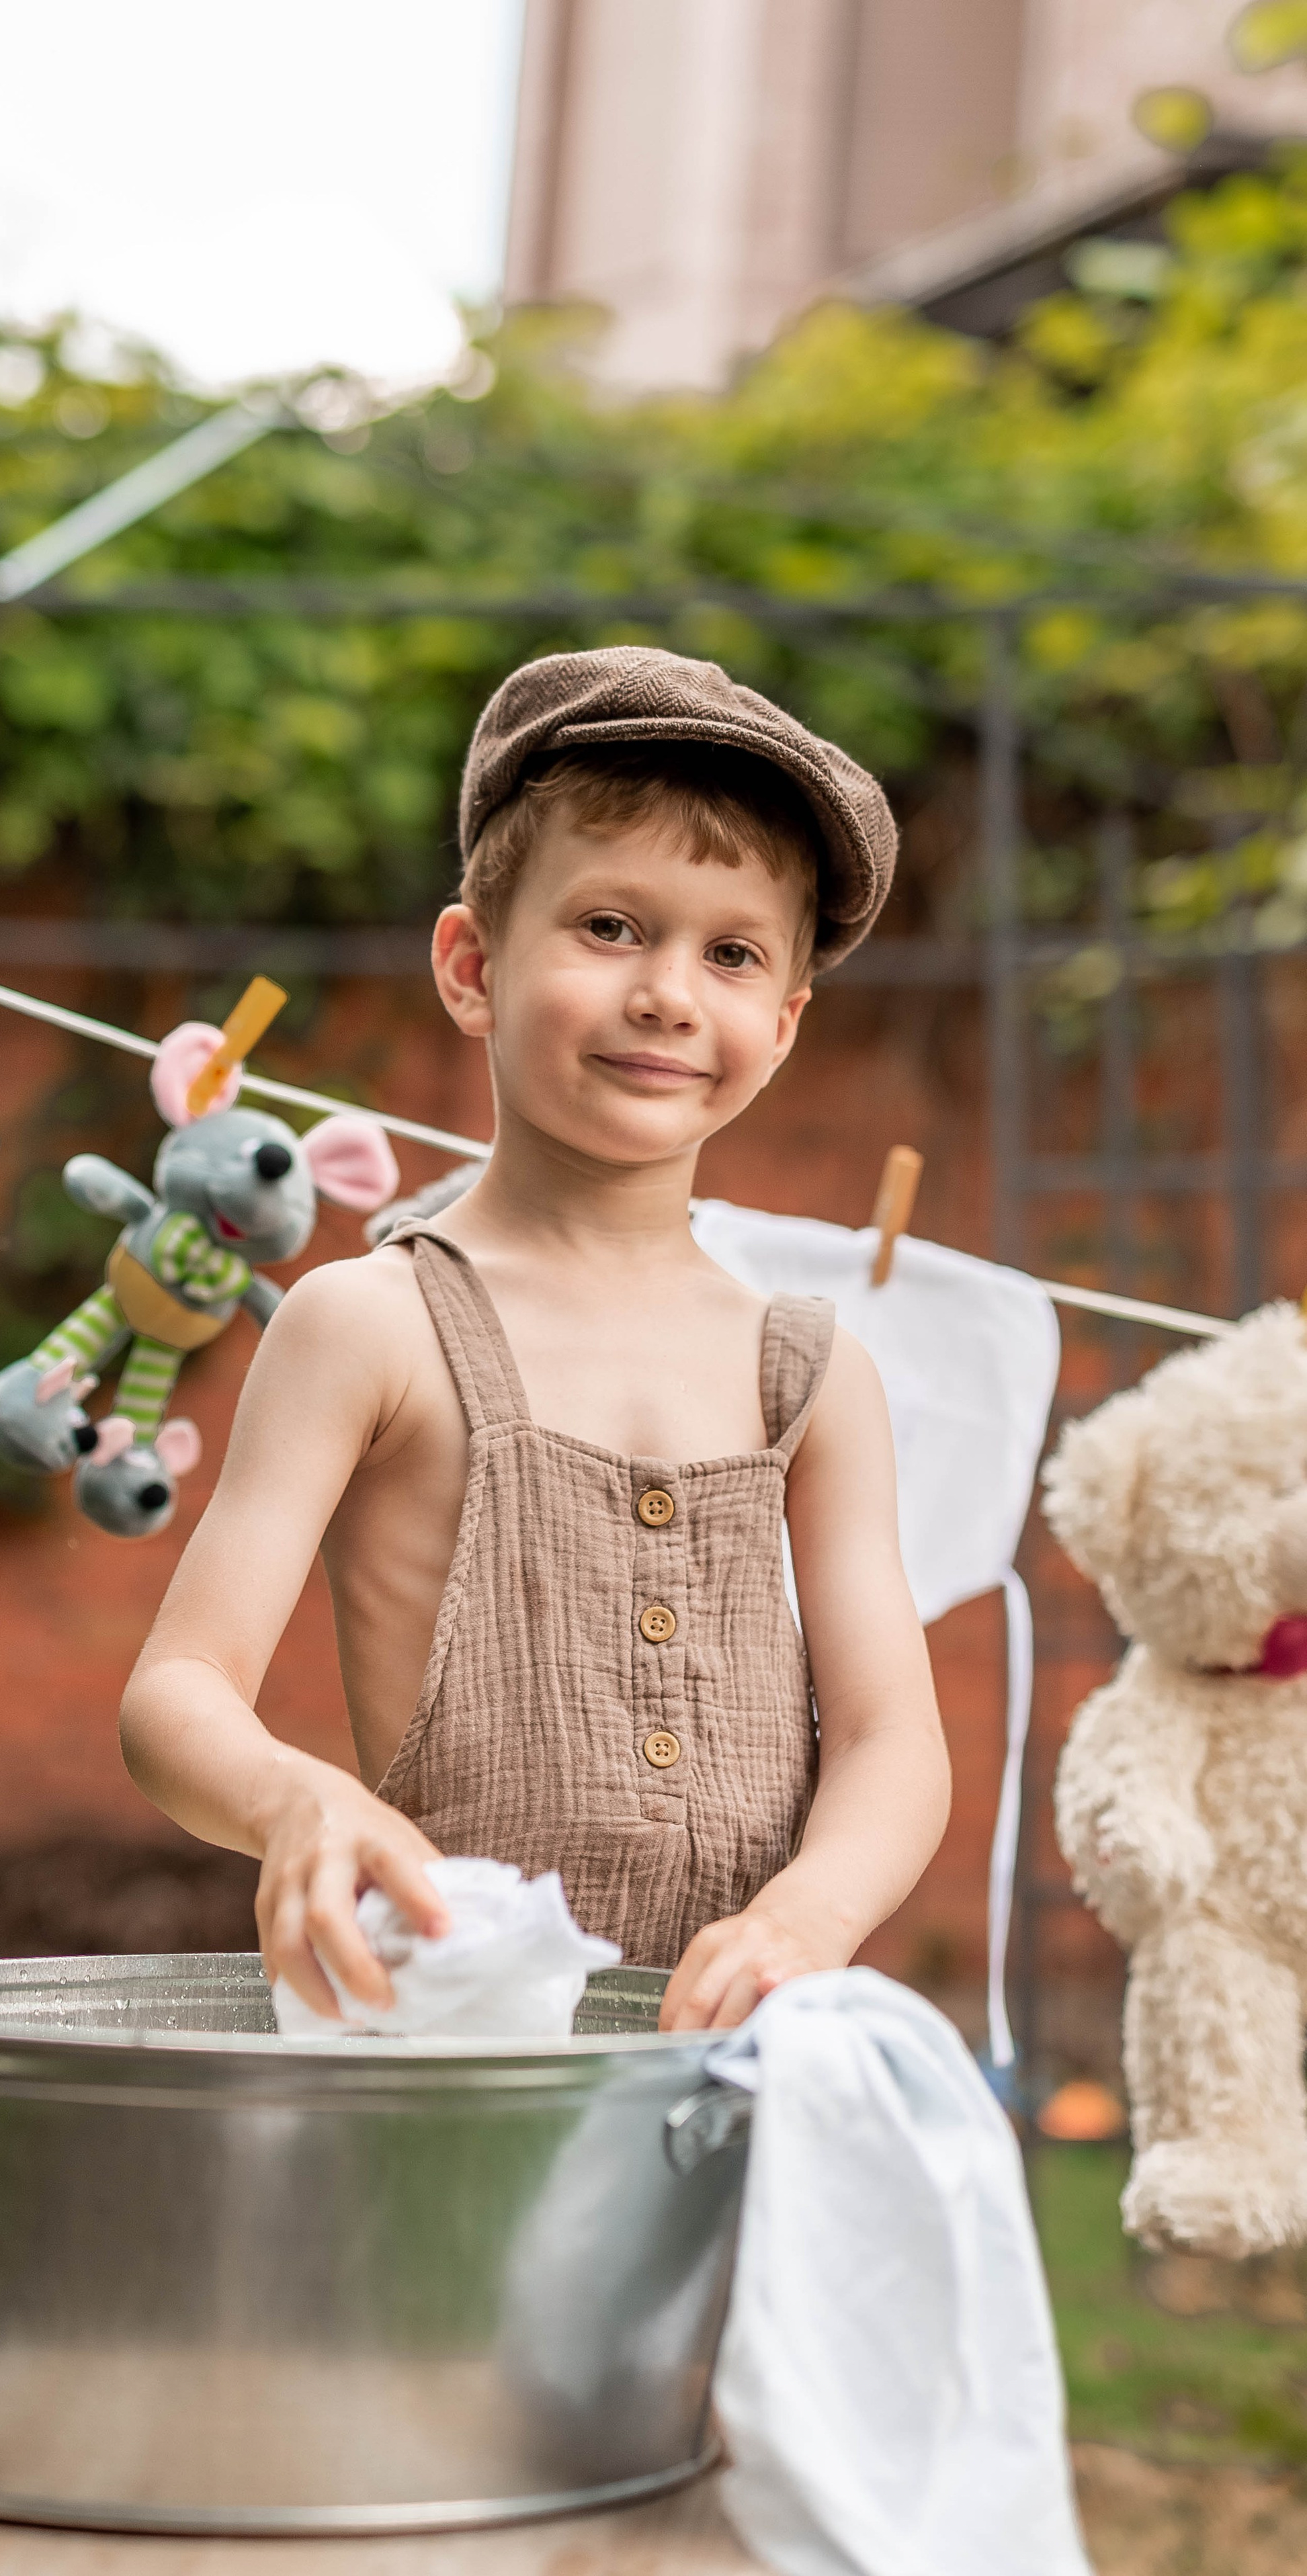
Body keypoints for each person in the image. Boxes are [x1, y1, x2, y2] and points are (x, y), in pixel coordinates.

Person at [120, 647, 950, 2030]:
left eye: (731, 952)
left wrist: (805, 1918)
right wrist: (295, 1797)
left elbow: (888, 1739)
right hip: (458, 2047)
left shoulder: (809, 1375)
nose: (670, 994)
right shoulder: (369, 1325)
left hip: (739, 2058)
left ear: (783, 1024)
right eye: (610, 927)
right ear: (470, 965)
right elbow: (177, 1692)